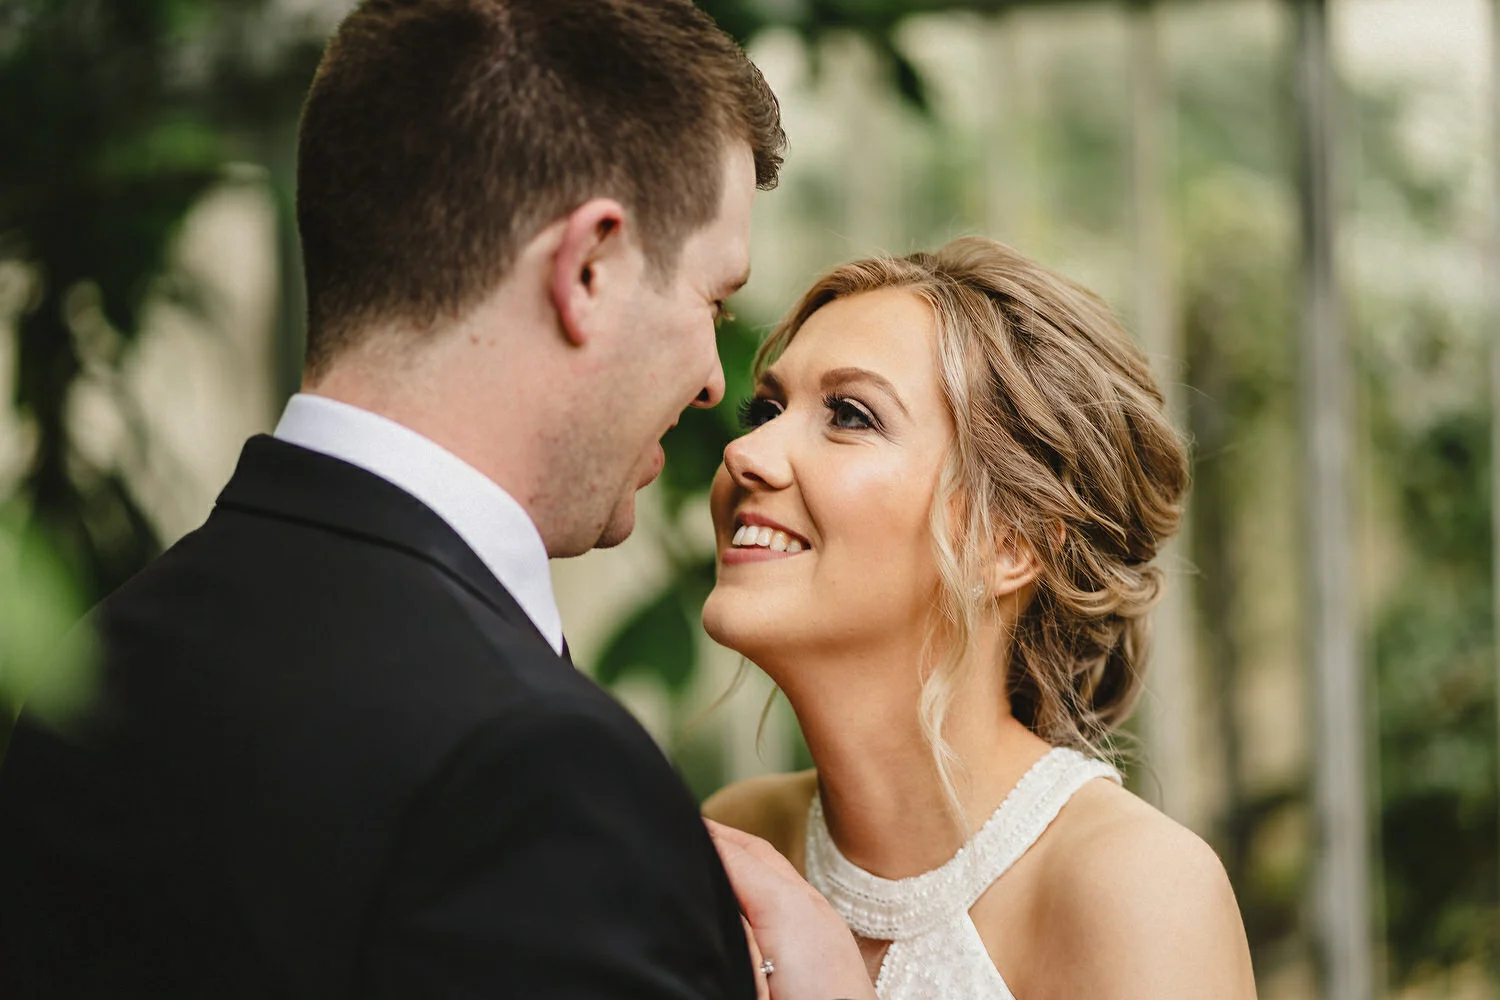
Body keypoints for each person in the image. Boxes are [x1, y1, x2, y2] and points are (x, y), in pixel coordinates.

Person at [0, 2, 873, 996]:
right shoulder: (537, 770)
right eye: (712, 300)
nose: (716, 382)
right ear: (588, 267)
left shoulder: (100, 657)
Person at [700, 238, 1259, 999]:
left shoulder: (1137, 888)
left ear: (1008, 542)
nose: (748, 453)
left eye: (850, 415)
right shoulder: (745, 835)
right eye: (765, 408)